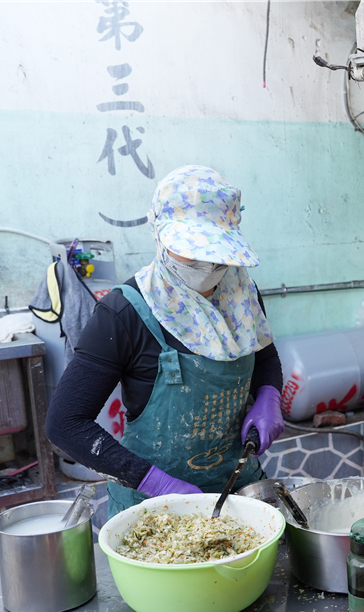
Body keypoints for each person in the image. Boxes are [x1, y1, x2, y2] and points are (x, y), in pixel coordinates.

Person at [47, 165, 285, 517]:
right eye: (191, 250)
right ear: (160, 236)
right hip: (154, 504)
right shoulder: (125, 312)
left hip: (237, 489)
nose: (205, 263)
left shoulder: (242, 296)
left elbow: (264, 359)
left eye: (214, 251)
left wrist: (269, 395)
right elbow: (64, 423)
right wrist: (155, 483)